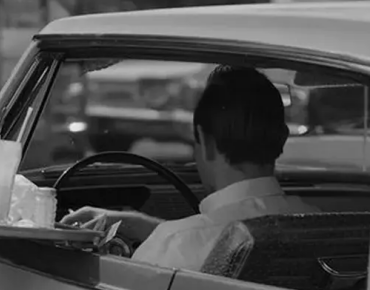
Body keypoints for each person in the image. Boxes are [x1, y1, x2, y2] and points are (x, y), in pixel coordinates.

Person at [62, 65, 317, 271]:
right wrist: (145, 226)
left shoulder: (175, 244)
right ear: (282, 138)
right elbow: (217, 234)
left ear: (204, 141)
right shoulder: (319, 225)